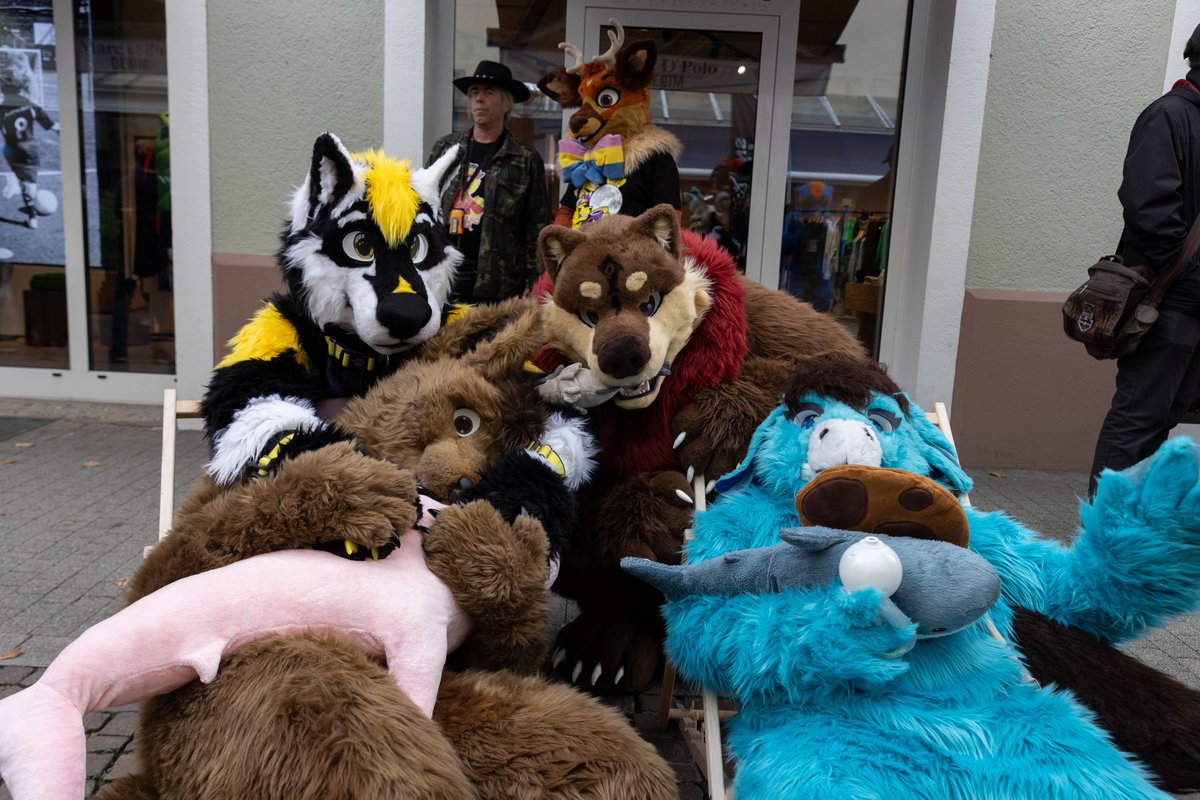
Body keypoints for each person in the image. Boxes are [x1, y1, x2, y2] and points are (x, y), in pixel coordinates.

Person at [1089, 24, 1200, 496]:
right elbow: (1148, 209)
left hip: (1189, 300)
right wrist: (1189, 275)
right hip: (1171, 299)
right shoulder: (1169, 115)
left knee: (1166, 417)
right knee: (1138, 421)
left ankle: (1134, 535)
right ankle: (1102, 535)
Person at [426, 60, 547, 304]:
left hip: (498, 284)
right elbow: (424, 207)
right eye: (474, 93)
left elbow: (536, 226)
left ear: (507, 102)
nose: (479, 99)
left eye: (488, 92)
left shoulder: (525, 159)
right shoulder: (446, 149)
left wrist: (535, 279)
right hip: (442, 276)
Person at [0, 51, 59, 230]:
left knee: (11, 161)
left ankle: (11, 180)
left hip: (11, 152)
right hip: (30, 152)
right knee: (29, 183)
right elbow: (53, 126)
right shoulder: (32, 106)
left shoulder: (1, 110)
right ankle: (33, 217)